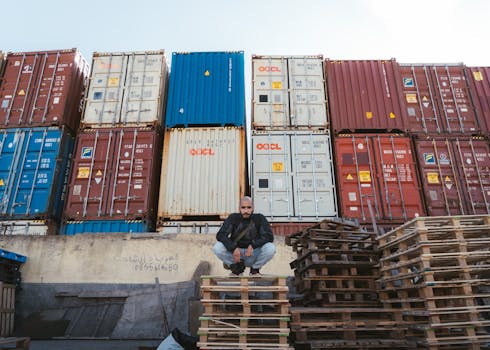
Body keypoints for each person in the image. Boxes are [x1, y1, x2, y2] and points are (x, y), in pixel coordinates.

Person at [213, 196, 276, 276]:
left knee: (270, 248)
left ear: (253, 207)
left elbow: (269, 236)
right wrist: (233, 248)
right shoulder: (233, 218)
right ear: (239, 208)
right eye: (243, 207)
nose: (246, 210)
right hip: (236, 256)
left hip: (252, 254)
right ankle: (236, 269)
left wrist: (253, 245)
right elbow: (221, 235)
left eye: (249, 207)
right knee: (217, 247)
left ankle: (254, 270)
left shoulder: (259, 218)